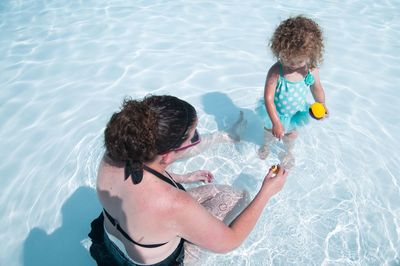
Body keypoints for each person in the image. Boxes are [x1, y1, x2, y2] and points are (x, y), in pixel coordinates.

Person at [88, 95, 287, 266]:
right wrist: (266, 192)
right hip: (159, 262)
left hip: (111, 243)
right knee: (239, 196)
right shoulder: (176, 204)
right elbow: (230, 241)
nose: (196, 140)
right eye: (194, 137)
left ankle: (227, 136)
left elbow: (143, 185)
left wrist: (184, 177)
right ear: (165, 156)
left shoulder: (115, 155)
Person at [257, 15, 328, 167]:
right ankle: (266, 146)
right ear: (279, 51)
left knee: (292, 135)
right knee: (269, 132)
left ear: (311, 56)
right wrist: (276, 122)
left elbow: (317, 89)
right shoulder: (276, 71)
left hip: (295, 114)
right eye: (287, 60)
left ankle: (288, 152)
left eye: (299, 62)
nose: (293, 65)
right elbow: (268, 98)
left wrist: (321, 105)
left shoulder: (311, 70)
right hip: (275, 113)